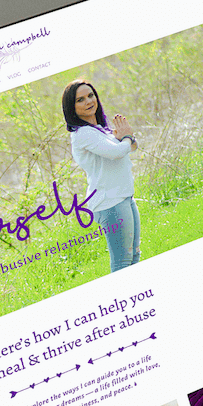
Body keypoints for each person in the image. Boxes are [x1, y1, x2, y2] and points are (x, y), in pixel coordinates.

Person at [61, 78, 141, 273]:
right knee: (122, 262)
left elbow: (132, 147)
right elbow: (118, 151)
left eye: (90, 95)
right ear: (72, 108)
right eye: (80, 100)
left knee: (134, 256)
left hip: (124, 197)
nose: (89, 101)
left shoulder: (100, 130)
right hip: (110, 202)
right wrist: (126, 137)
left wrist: (126, 138)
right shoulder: (83, 134)